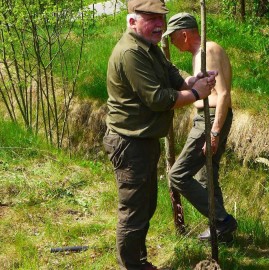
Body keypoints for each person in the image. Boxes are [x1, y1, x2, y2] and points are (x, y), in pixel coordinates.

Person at [103, 1, 217, 269]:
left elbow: (172, 76)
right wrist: (197, 93)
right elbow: (157, 98)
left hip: (143, 141)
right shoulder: (131, 52)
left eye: (161, 19)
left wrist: (194, 80)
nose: (159, 25)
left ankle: (138, 260)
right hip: (129, 143)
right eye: (151, 19)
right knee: (134, 212)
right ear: (132, 21)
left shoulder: (149, 48)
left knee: (146, 206)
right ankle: (132, 265)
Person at [163, 13, 237, 242]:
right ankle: (221, 232)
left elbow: (223, 94)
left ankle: (222, 221)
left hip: (210, 118)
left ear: (184, 34)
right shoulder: (201, 53)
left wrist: (214, 132)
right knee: (207, 174)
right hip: (209, 116)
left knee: (177, 175)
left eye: (173, 38)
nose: (172, 44)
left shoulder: (207, 51)